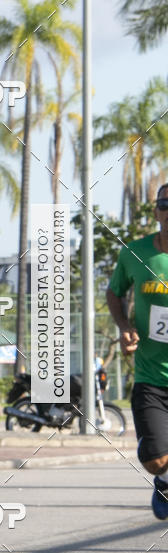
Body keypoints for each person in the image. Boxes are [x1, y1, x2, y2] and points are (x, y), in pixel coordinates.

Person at [107, 183, 168, 520]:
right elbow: (115, 293)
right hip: (151, 377)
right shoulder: (135, 253)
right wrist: (124, 326)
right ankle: (164, 478)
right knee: (155, 459)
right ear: (157, 211)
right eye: (165, 204)